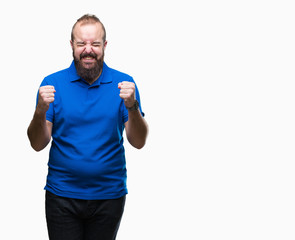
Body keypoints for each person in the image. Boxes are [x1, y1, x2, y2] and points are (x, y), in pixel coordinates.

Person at [27, 14, 148, 240]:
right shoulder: (52, 84)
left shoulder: (124, 85)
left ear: (105, 45)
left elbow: (139, 142)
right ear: (72, 45)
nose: (88, 50)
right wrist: (39, 110)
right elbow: (37, 144)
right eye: (81, 43)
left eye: (95, 43)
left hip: (109, 196)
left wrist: (132, 106)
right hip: (61, 196)